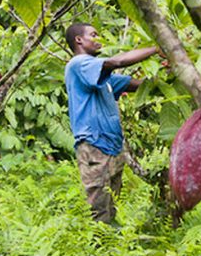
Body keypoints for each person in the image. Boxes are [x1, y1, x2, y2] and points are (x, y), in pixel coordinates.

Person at [64, 23, 159, 225]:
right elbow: (117, 62)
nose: (99, 38)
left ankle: (111, 251)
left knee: (110, 207)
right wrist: (157, 48)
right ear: (78, 40)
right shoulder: (79, 63)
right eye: (94, 34)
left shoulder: (103, 79)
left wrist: (168, 72)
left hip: (112, 147)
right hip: (94, 146)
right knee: (99, 211)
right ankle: (98, 254)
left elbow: (138, 86)